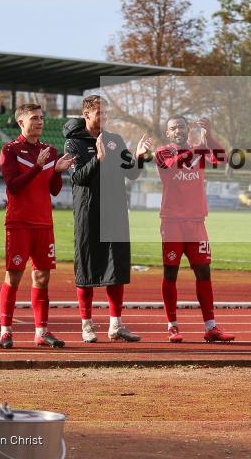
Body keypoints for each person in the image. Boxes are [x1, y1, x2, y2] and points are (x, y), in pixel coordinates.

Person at [64, 95, 151, 343]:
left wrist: (140, 156)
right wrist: (97, 159)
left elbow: (132, 173)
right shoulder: (73, 144)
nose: (104, 117)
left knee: (117, 266)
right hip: (88, 212)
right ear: (87, 115)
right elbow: (78, 177)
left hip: (115, 211)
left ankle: (116, 325)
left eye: (107, 113)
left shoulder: (115, 140)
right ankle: (87, 326)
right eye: (99, 113)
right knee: (87, 266)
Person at [0, 103, 74, 349]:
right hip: (19, 222)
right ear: (21, 122)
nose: (40, 122)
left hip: (43, 223)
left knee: (42, 277)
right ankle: (5, 332)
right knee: (14, 276)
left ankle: (41, 332)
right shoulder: (10, 150)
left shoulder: (50, 151)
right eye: (34, 118)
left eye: (41, 118)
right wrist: (38, 168)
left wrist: (58, 172)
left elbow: (52, 190)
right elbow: (13, 185)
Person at [155, 115, 235, 343]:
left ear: (188, 129)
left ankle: (211, 327)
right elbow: (175, 163)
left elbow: (222, 158)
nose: (178, 130)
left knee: (204, 272)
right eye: (173, 128)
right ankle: (172, 325)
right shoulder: (163, 152)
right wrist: (199, 147)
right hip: (171, 222)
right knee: (171, 272)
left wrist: (209, 136)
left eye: (181, 126)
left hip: (197, 222)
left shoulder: (198, 151)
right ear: (168, 133)